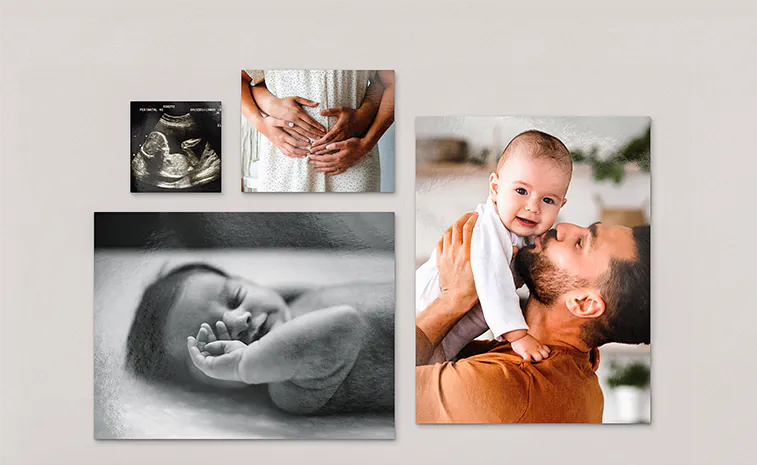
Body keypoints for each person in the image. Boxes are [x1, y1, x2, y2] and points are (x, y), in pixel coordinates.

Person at [415, 212, 650, 423]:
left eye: (580, 243)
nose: (564, 226)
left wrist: (453, 299)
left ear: (584, 304)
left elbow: (380, 381)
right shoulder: (573, 373)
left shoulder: (506, 387)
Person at [125, 263, 394, 415]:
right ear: (208, 383)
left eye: (235, 297)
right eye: (214, 337)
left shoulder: (295, 303)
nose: (240, 320)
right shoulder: (289, 389)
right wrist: (243, 363)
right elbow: (345, 324)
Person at [415, 130, 571, 364]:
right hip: (418, 322)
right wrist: (518, 335)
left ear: (561, 205)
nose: (532, 207)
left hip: (442, 342)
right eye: (521, 191)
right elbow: (495, 282)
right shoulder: (487, 229)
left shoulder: (524, 238)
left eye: (548, 200)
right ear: (495, 188)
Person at [240, 69, 394, 192]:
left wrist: (366, 144)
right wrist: (261, 124)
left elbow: (392, 82)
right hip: (285, 166)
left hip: (352, 161)